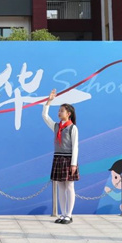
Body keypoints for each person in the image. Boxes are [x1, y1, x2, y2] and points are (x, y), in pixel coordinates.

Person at [43, 89, 79, 224]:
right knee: (61, 187)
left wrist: (73, 164)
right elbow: (45, 116)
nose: (59, 113)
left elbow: (75, 147)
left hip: (68, 159)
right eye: (59, 111)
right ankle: (63, 214)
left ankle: (69, 214)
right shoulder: (56, 126)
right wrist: (49, 101)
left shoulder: (73, 128)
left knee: (69, 186)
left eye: (62, 111)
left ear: (68, 114)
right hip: (58, 158)